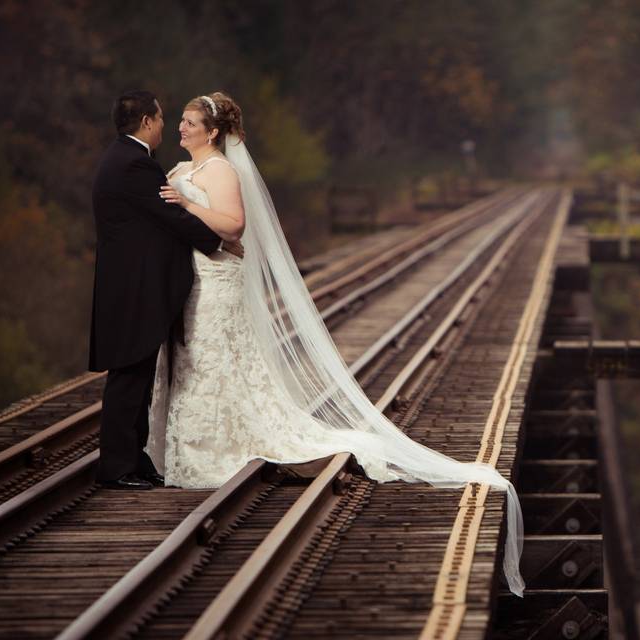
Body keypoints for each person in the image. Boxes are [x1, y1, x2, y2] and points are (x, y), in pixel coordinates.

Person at [149, 92, 525, 595]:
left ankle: (217, 441)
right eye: (180, 121)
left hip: (216, 280)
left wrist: (189, 204)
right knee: (194, 358)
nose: (180, 128)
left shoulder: (218, 172)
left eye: (189, 122)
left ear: (212, 132)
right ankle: (189, 443)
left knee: (218, 357)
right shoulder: (179, 168)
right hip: (189, 280)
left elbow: (235, 226)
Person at [89, 90, 241, 490]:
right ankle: (117, 467)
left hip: (128, 284)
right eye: (161, 118)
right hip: (134, 286)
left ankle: (134, 459)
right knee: (129, 376)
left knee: (137, 373)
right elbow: (169, 216)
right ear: (146, 122)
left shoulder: (122, 159)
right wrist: (221, 243)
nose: (168, 125)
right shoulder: (136, 165)